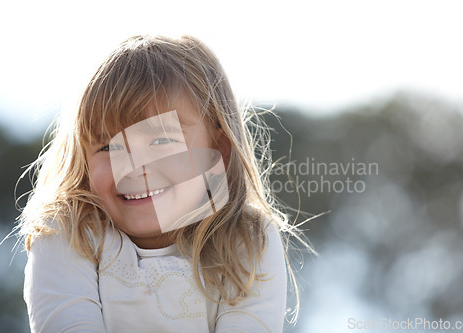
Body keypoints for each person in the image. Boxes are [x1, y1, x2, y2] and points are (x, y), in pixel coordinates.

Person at [19, 35, 305, 332]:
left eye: (161, 140)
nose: (134, 167)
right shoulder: (68, 232)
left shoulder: (248, 239)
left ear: (218, 150)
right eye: (109, 147)